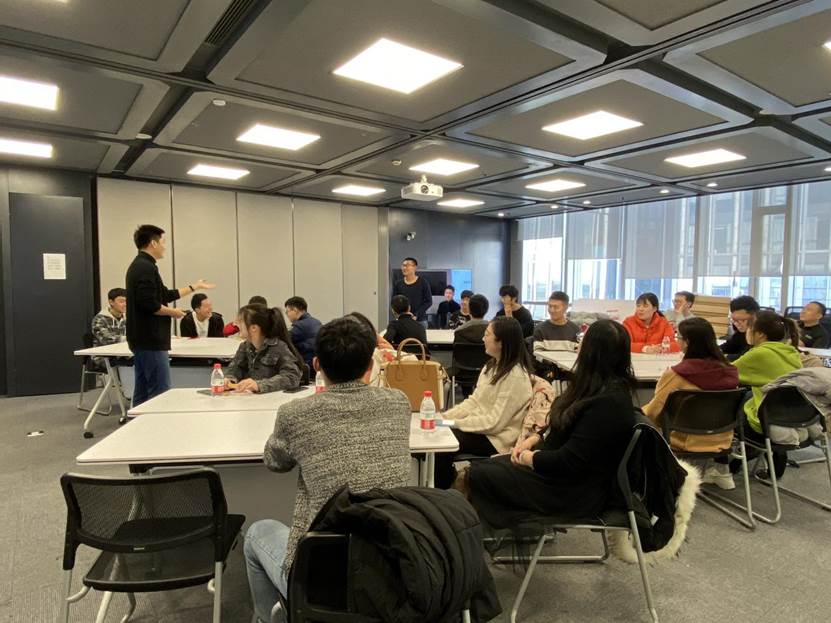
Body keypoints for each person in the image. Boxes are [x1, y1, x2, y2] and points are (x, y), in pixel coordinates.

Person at [243, 317, 412, 621]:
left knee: (257, 532)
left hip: (321, 577)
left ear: (317, 364)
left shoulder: (296, 413)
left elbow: (275, 462)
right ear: (370, 366)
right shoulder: (399, 402)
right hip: (391, 568)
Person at [464, 320, 639, 527]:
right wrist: (534, 439)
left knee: (479, 474)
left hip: (570, 491)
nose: (578, 346)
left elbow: (570, 461)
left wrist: (529, 457)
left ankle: (468, 532)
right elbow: (561, 425)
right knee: (484, 468)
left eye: (583, 342)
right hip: (557, 473)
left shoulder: (608, 404)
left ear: (593, 351)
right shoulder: (593, 387)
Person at [434, 316, 534, 489]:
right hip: (484, 430)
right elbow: (474, 402)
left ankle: (443, 492)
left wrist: (453, 423)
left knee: (442, 443)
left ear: (501, 342)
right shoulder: (491, 367)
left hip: (497, 439)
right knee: (439, 432)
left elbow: (494, 423)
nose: (482, 339)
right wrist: (443, 417)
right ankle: (445, 484)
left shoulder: (515, 377)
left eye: (487, 334)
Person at [707, 311, 803, 489]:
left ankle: (722, 470)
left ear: (759, 334)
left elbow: (724, 375)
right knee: (745, 397)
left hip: (763, 423)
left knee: (719, 411)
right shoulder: (790, 352)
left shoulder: (759, 354)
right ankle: (736, 464)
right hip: (794, 419)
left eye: (749, 328)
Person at [125, 224, 214, 406]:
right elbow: (149, 304)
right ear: (153, 243)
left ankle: (137, 422)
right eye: (163, 242)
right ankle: (154, 423)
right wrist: (174, 313)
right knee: (159, 391)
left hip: (143, 339)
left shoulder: (142, 266)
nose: (164, 246)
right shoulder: (145, 268)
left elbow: (164, 295)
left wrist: (194, 286)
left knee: (143, 390)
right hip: (151, 339)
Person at [643, 317, 739, 453]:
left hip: (683, 440)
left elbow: (653, 412)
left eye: (678, 337)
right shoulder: (729, 371)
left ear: (687, 342)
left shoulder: (679, 374)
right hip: (723, 439)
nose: (676, 340)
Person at [224, 305, 303, 393]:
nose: (235, 324)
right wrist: (230, 380)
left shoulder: (278, 347)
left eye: (240, 321)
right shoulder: (245, 346)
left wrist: (259, 385)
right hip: (249, 397)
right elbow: (236, 368)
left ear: (254, 328)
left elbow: (292, 377)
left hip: (273, 398)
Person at [391, 257, 432, 327]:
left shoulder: (423, 282)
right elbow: (394, 301)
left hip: (420, 321)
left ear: (415, 267)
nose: (404, 268)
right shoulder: (398, 284)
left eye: (407, 265)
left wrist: (416, 314)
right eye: (403, 265)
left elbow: (429, 302)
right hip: (402, 321)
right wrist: (399, 314)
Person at [284, 296, 322, 368]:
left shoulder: (298, 326)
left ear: (295, 310)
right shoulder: (317, 322)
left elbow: (284, 340)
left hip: (306, 366)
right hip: (318, 364)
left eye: (287, 312)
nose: (287, 315)